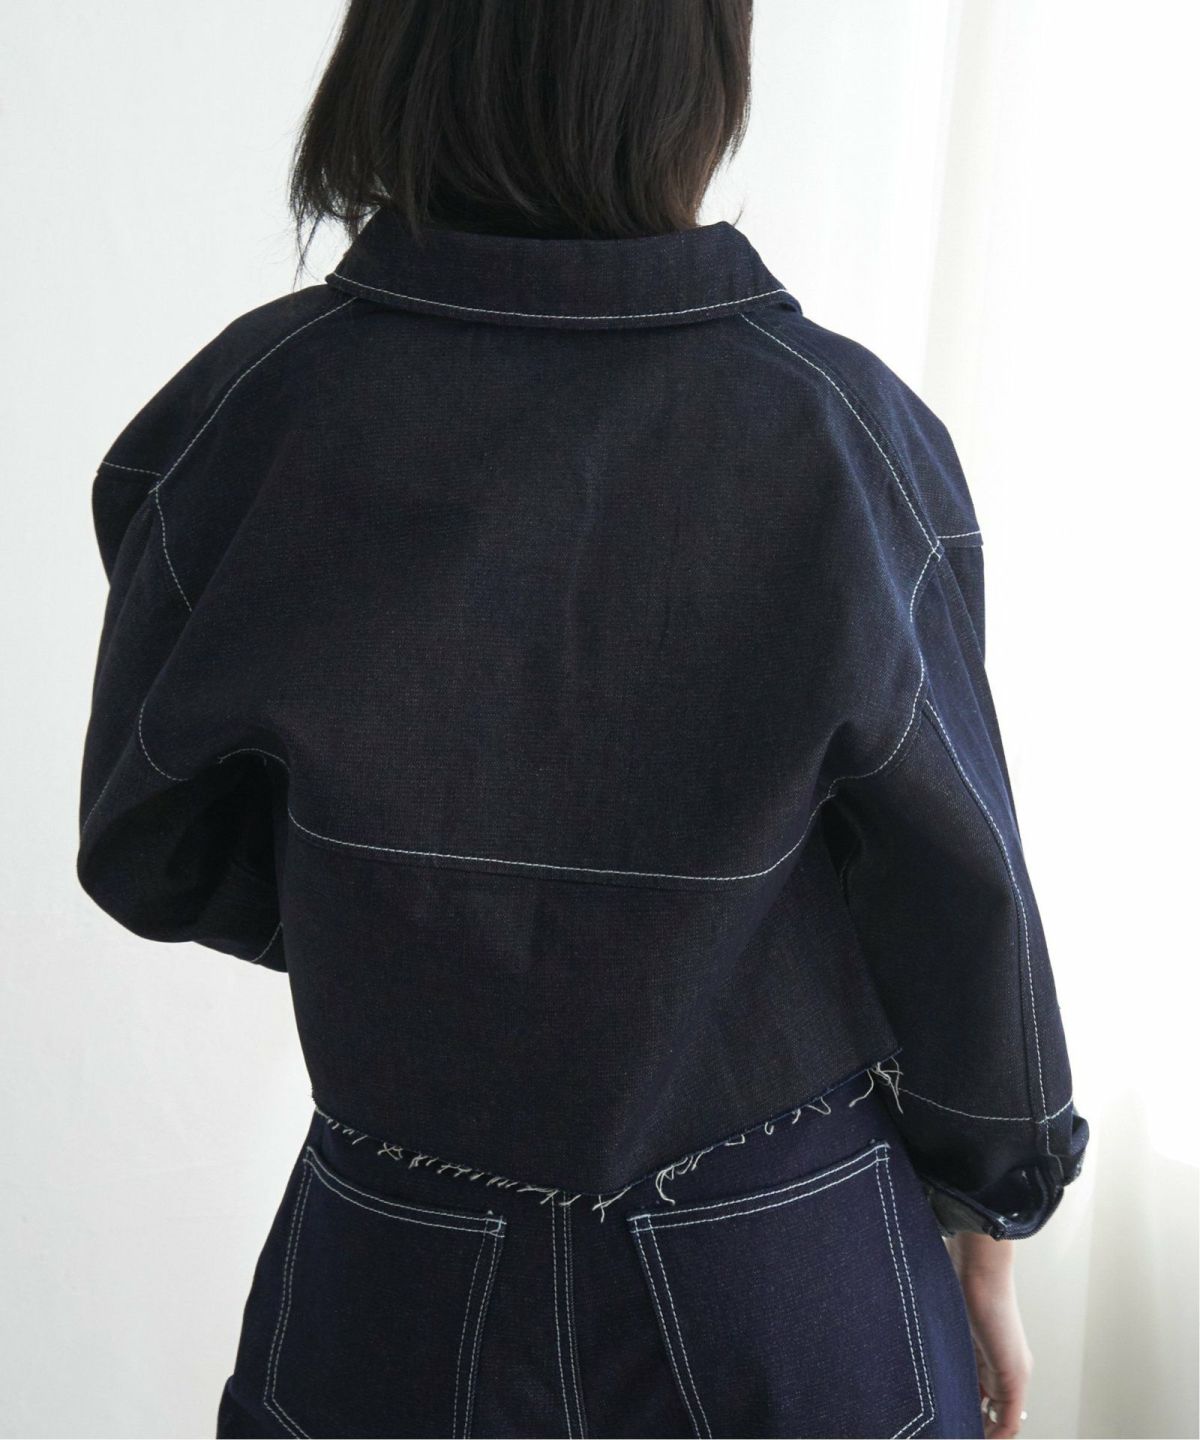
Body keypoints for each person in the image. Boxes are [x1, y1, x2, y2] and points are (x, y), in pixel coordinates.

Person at [75, 2, 1088, 1436]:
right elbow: (964, 898)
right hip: (783, 1262)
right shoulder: (840, 434)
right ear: (697, 71)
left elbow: (152, 841)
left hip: (390, 1267)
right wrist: (995, 1211)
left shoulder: (253, 412)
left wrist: (423, 934)